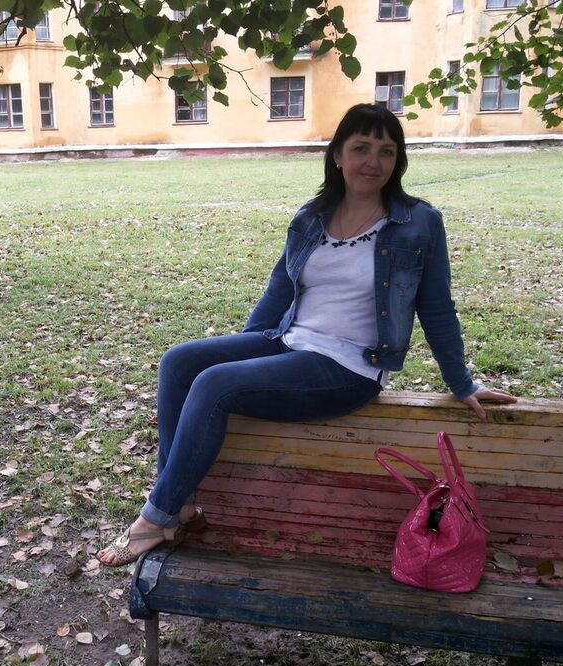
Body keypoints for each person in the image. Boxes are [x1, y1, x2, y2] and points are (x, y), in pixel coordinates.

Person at [98, 103, 516, 567]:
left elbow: (436, 307)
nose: (373, 162)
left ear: (399, 160)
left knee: (214, 384)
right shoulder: (312, 216)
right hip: (290, 340)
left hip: (350, 367)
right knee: (180, 363)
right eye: (361, 148)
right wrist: (250, 356)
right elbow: (280, 289)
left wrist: (461, 382)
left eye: (387, 151)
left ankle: (154, 519)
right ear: (337, 154)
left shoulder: (418, 223)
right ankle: (178, 506)